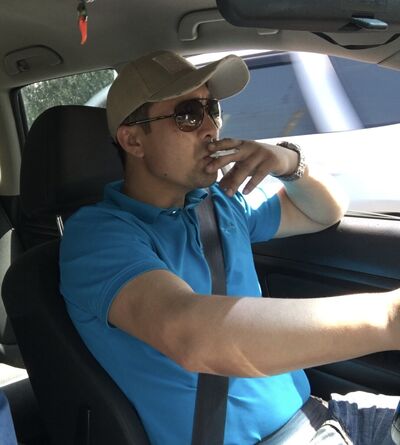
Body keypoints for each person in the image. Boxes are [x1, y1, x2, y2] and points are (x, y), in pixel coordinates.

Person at [59, 50, 400, 445]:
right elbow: (192, 335)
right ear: (133, 140)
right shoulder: (98, 237)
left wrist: (289, 162)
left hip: (323, 416)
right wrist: (388, 319)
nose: (211, 128)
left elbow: (325, 210)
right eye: (189, 114)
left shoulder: (219, 202)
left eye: (212, 109)